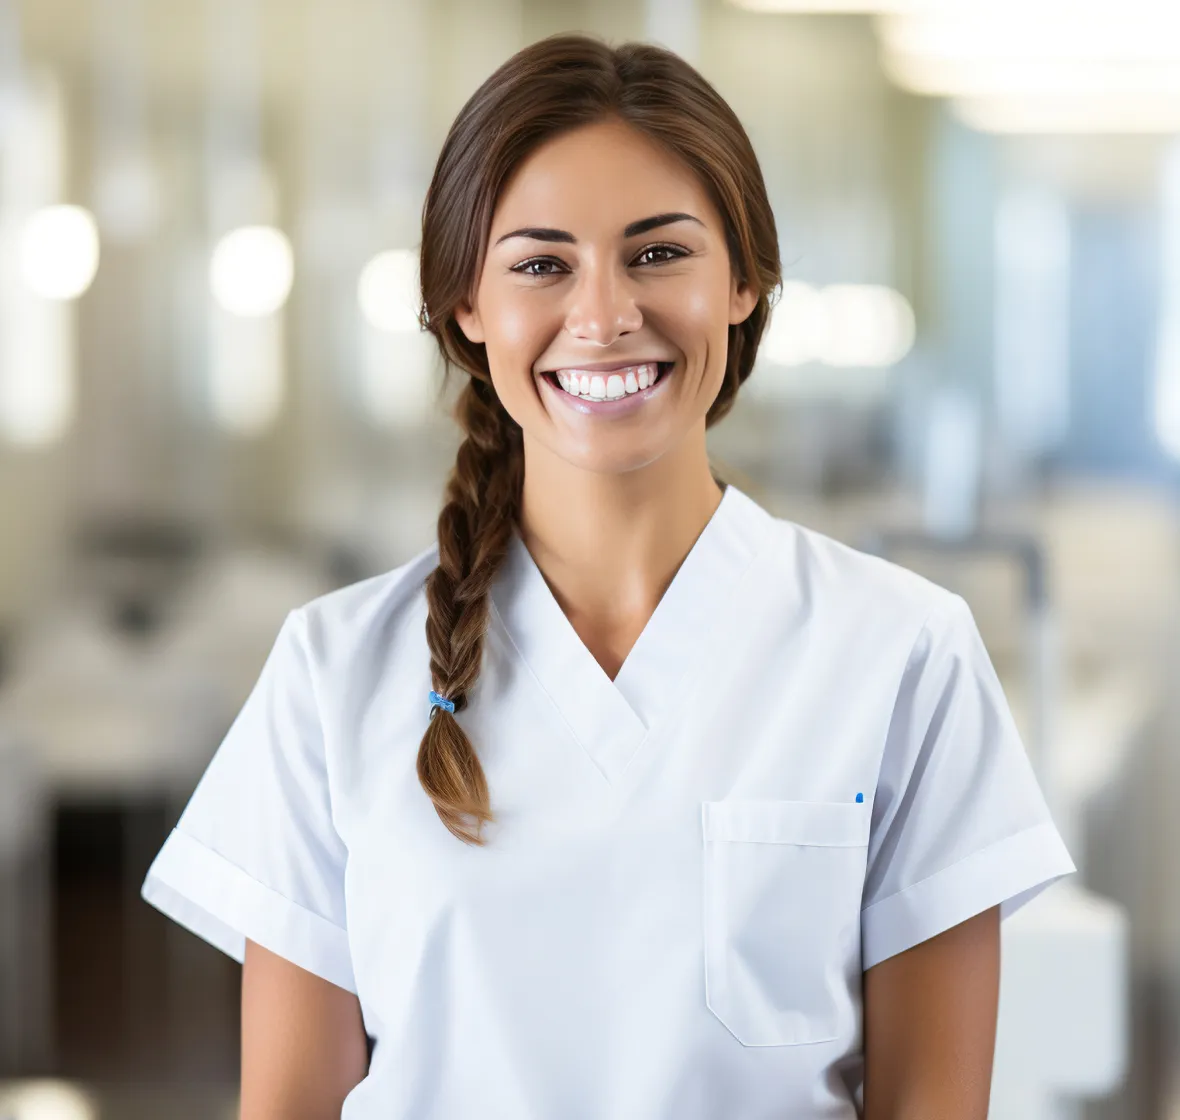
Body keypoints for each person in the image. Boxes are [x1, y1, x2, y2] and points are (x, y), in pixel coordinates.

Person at [141, 32, 1076, 1119]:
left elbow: (931, 1104)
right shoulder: (331, 669)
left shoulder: (902, 650)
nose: (603, 315)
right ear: (466, 310)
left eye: (658, 253)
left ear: (746, 280)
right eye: (541, 264)